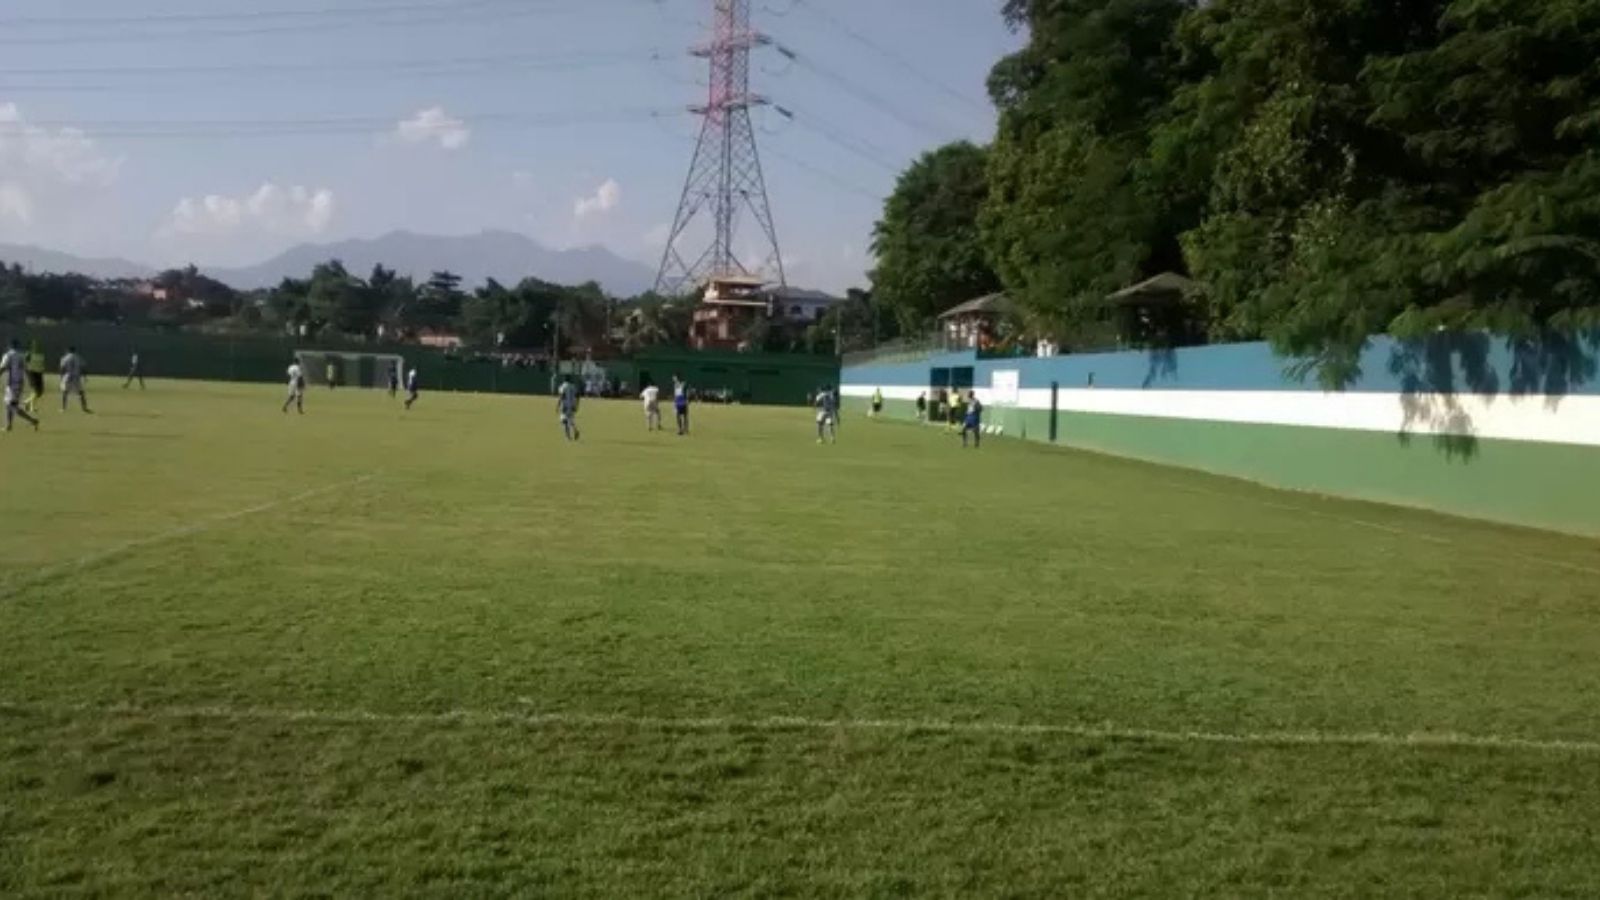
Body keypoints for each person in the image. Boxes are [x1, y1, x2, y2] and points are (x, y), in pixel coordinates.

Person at [3, 339, 40, 432]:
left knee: (12, 405)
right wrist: (31, 382)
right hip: (20, 382)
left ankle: (33, 420)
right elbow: (26, 369)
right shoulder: (22, 356)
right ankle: (9, 426)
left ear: (10, 346)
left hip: (12, 383)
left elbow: (3, 367)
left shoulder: (9, 355)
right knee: (9, 404)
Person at [58, 346, 90, 413]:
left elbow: (62, 368)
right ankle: (84, 407)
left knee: (65, 392)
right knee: (81, 392)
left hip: (68, 376)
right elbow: (83, 367)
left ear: (68, 351)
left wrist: (61, 377)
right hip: (76, 376)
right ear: (74, 351)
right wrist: (85, 376)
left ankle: (63, 408)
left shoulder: (65, 358)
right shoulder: (78, 357)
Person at [23, 340, 45, 415]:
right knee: (35, 391)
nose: (36, 347)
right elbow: (25, 363)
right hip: (32, 373)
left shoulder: (41, 354)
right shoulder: (29, 354)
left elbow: (41, 364)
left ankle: (27, 402)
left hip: (39, 373)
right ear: (32, 346)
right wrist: (28, 372)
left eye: (37, 345)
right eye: (34, 345)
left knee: (40, 392)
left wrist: (42, 371)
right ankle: (32, 408)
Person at [557, 375, 581, 442]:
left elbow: (561, 396)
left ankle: (568, 437)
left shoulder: (563, 386)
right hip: (572, 406)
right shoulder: (573, 386)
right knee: (570, 420)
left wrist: (558, 405)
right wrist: (577, 405)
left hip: (565, 406)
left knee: (564, 421)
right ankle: (576, 430)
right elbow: (578, 396)